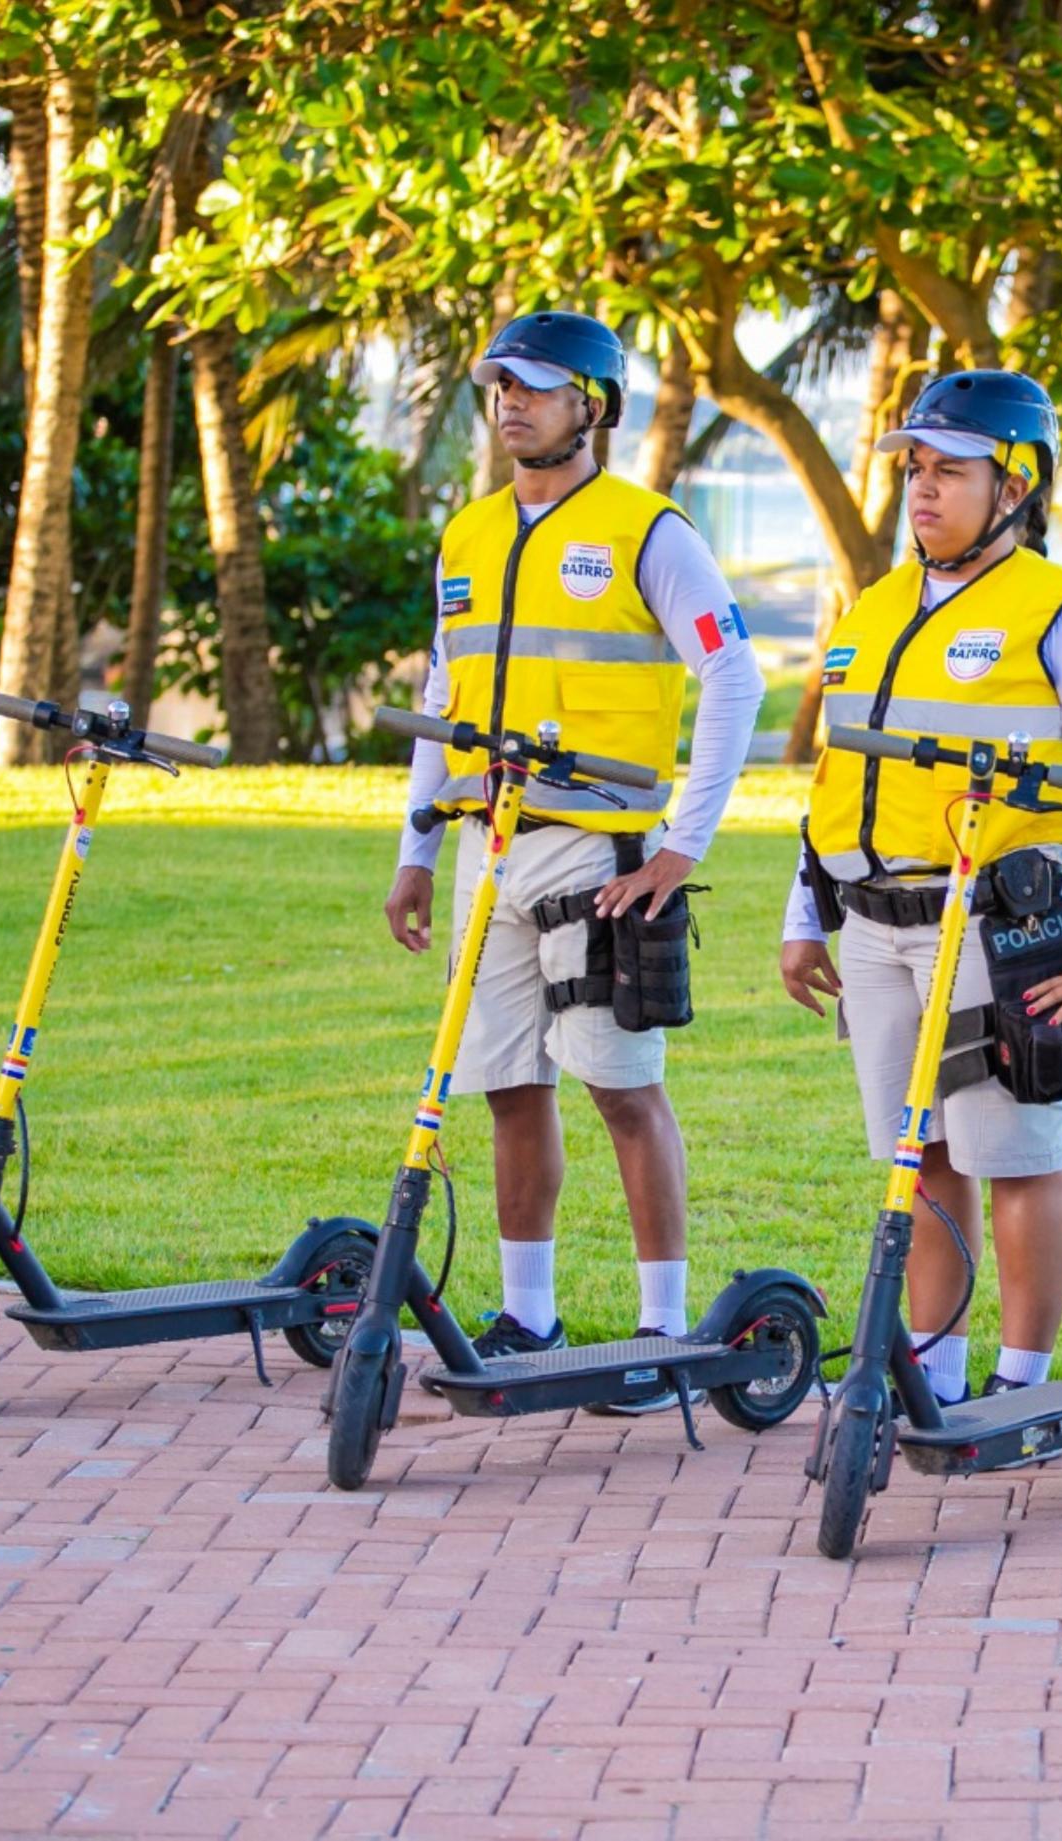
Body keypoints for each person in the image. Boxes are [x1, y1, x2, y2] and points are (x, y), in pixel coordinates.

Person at [382, 312, 762, 1408]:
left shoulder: (652, 533)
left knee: (620, 1086)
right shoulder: (466, 534)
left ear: (592, 405)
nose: (511, 402)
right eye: (500, 385)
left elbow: (733, 678)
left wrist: (683, 845)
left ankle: (659, 1330)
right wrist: (415, 846)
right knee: (506, 1083)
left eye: (537, 388)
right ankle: (528, 1313)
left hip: (600, 850)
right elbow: (445, 698)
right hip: (485, 845)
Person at [779, 370, 1062, 1403]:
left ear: (1016, 482)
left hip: (999, 927)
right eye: (914, 469)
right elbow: (835, 776)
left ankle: (1021, 1379)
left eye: (950, 469)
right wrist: (802, 914)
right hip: (873, 922)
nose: (923, 489)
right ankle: (934, 1373)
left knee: (1017, 1153)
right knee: (923, 1157)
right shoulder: (872, 606)